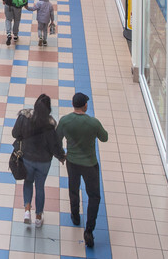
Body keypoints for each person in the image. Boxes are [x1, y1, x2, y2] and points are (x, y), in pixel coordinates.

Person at [57, 93, 109, 248]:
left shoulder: (65, 121)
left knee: (74, 189)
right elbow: (104, 138)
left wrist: (61, 155)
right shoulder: (93, 123)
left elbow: (56, 138)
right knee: (94, 196)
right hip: (90, 165)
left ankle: (75, 215)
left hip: (72, 162)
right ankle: (89, 230)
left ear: (73, 104)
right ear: (85, 105)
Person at [12, 94, 65, 228]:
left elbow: (15, 134)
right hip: (44, 162)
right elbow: (54, 145)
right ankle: (38, 217)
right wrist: (61, 156)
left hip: (27, 158)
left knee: (28, 182)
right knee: (40, 187)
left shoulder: (24, 117)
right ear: (49, 109)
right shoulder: (50, 125)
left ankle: (27, 211)